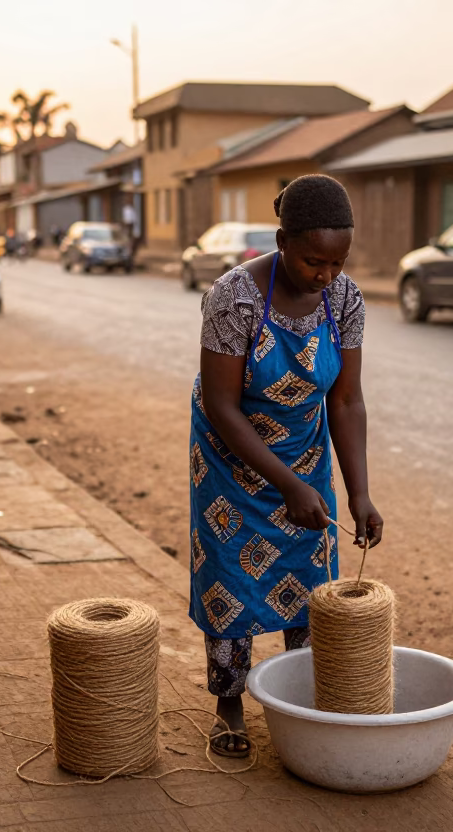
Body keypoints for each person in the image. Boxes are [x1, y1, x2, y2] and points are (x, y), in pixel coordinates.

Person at [190, 174, 383, 757]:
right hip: (230, 457)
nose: (325, 274)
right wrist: (284, 484)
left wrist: (359, 494)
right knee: (230, 575)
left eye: (337, 261)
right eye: (312, 260)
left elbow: (345, 400)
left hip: (304, 450)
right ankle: (229, 707)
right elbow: (221, 404)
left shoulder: (345, 299)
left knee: (310, 575)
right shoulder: (235, 297)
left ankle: (300, 695)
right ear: (280, 240)